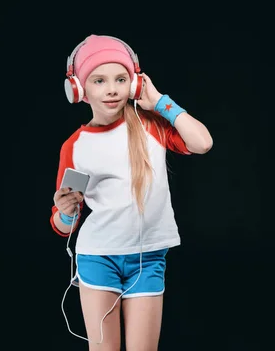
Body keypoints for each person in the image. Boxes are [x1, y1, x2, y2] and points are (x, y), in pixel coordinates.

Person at [49, 34, 213, 350]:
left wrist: (162, 102)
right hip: (98, 258)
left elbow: (202, 143)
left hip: (148, 259)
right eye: (99, 80)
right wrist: (66, 211)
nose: (111, 88)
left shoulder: (151, 125)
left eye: (121, 79)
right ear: (80, 89)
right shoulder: (76, 146)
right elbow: (63, 226)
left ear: (135, 83)